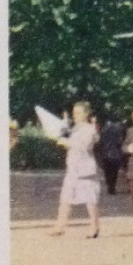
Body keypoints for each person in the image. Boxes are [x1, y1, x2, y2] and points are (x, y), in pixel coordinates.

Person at [50, 101, 101, 238]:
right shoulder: (75, 128)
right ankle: (60, 226)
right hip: (73, 167)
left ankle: (94, 226)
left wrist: (66, 142)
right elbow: (66, 137)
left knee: (90, 199)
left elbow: (85, 146)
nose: (75, 115)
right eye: (74, 113)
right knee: (65, 197)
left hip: (85, 168)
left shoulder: (90, 129)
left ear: (86, 113)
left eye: (78, 113)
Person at [94, 111, 126, 196]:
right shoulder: (119, 128)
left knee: (107, 171)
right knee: (114, 171)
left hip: (106, 152)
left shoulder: (104, 129)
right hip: (115, 152)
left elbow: (101, 141)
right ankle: (113, 187)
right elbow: (121, 140)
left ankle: (109, 186)